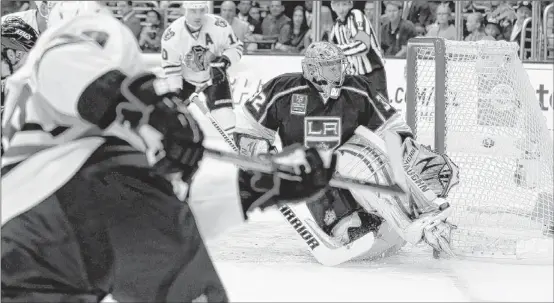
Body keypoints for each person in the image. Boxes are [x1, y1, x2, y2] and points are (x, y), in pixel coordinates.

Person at [1, 2, 337, 302]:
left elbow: (159, 210)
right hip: (88, 199)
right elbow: (68, 56)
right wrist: (152, 101)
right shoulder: (66, 47)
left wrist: (259, 185)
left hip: (20, 239)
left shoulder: (53, 116)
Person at [234, 41, 460, 266]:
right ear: (312, 69)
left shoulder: (357, 87)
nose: (339, 70)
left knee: (372, 159)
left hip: (354, 167)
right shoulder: (282, 89)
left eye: (339, 64)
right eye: (330, 66)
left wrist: (405, 153)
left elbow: (391, 126)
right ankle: (388, 224)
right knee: (356, 232)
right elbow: (248, 127)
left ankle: (424, 218)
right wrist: (258, 151)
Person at [161, 1, 243, 142]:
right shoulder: (172, 34)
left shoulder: (218, 25)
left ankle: (239, 149)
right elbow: (172, 69)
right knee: (172, 116)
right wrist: (176, 93)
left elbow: (236, 48)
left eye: (201, 10)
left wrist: (224, 61)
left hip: (214, 75)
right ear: (184, 10)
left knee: (225, 116)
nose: (198, 15)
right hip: (185, 80)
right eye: (193, 11)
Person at [329, 1, 389, 102]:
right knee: (358, 112)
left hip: (373, 73)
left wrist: (338, 49)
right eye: (337, 5)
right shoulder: (336, 28)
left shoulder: (356, 16)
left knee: (383, 108)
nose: (341, 9)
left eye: (344, 4)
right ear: (332, 7)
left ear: (350, 5)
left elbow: (363, 46)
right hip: (356, 77)